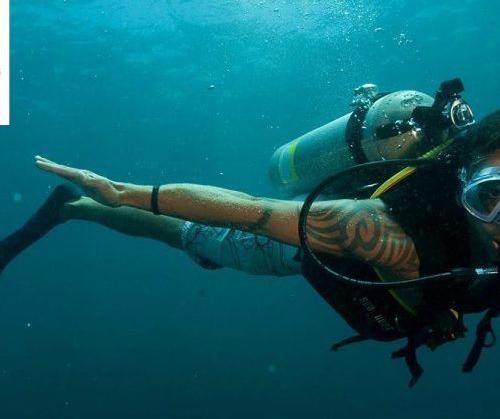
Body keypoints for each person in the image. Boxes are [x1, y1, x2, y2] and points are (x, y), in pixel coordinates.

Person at [1, 109, 499, 386]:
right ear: (464, 185)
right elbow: (252, 210)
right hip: (313, 248)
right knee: (193, 236)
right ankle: (73, 207)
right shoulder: (378, 234)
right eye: (492, 196)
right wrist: (124, 192)